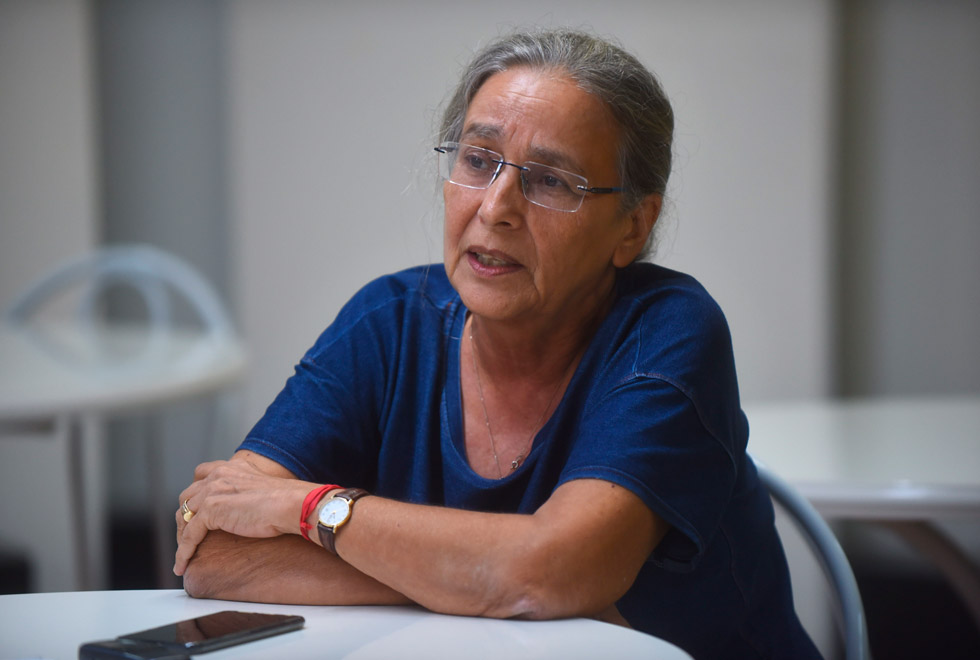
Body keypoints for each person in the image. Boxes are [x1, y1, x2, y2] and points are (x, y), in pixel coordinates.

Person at [174, 28, 822, 659]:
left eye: (549, 181)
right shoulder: (389, 319)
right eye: (478, 161)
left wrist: (313, 509)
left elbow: (552, 569)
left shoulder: (669, 332)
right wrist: (484, 581)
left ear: (633, 225)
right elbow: (211, 551)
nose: (496, 207)